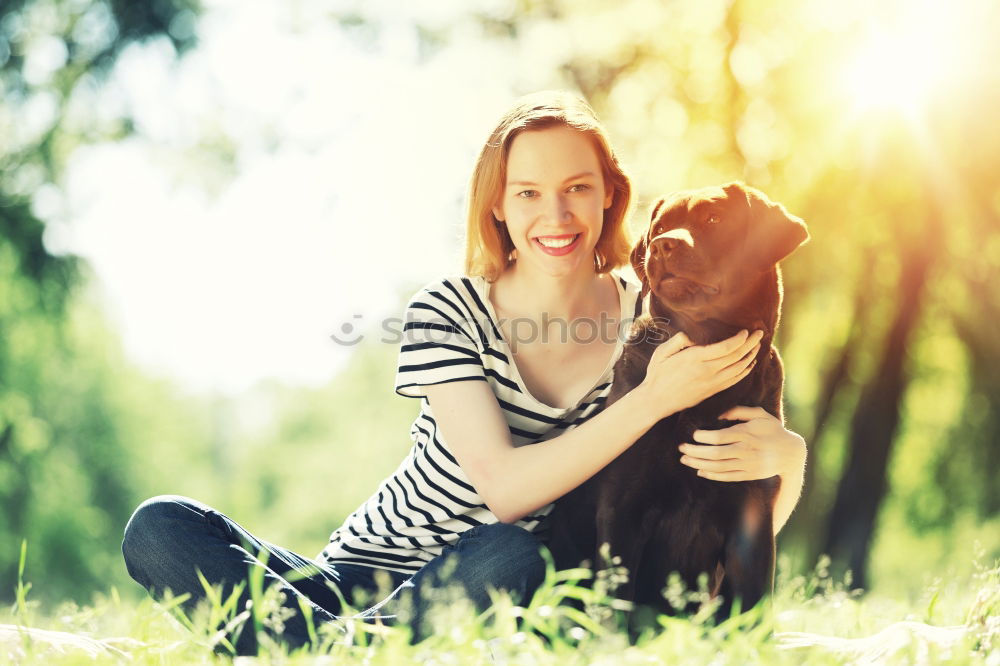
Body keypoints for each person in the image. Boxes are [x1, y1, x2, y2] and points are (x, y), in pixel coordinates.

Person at [121, 90, 807, 655]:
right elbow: (505, 489)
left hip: (500, 580)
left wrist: (788, 460)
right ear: (499, 209)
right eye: (529, 193)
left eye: (577, 188)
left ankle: (306, 651)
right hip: (363, 573)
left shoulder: (657, 314)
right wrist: (651, 401)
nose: (556, 214)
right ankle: (353, 647)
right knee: (159, 527)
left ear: (610, 198)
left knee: (510, 555)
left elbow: (711, 511)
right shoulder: (446, 310)